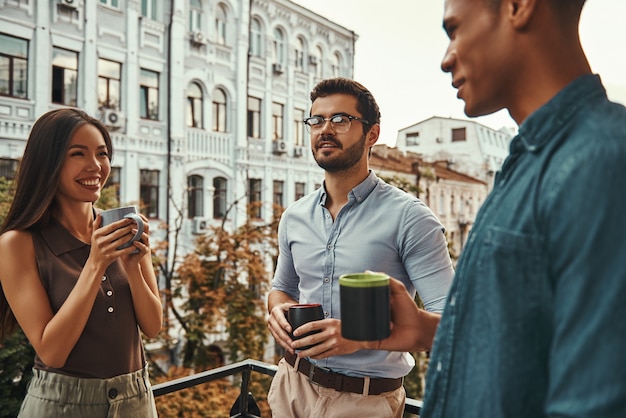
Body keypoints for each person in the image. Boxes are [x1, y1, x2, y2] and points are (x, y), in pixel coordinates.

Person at [376, 0, 626, 417]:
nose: (446, 59)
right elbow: (531, 338)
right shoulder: (527, 160)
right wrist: (427, 329)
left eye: (454, 30)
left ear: (517, 6)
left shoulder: (601, 161)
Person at [266, 77, 455, 418]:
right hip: (291, 387)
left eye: (340, 120)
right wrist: (278, 311)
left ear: (372, 134)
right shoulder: (294, 216)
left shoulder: (410, 218)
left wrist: (361, 337)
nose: (325, 129)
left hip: (363, 402)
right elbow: (281, 289)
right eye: (316, 120)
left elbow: (453, 324)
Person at [0, 108, 162, 417]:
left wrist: (133, 265)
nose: (95, 166)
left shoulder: (121, 227)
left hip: (136, 402)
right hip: (61, 406)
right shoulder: (17, 243)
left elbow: (153, 327)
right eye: (78, 154)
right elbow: (52, 352)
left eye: (102, 154)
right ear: (49, 164)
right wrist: (95, 264)